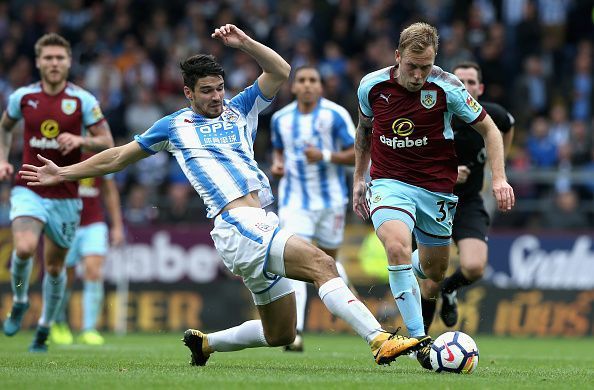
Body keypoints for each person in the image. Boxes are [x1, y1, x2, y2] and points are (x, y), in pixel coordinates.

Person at [20, 24, 428, 366]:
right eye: (207, 91)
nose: (217, 97)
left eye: (219, 88)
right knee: (323, 264)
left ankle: (206, 344)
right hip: (237, 222)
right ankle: (379, 340)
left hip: (260, 222)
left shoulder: (240, 108)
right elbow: (117, 157)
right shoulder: (173, 126)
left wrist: (247, 44)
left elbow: (280, 70)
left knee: (280, 332)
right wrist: (63, 171)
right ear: (188, 93)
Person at [353, 22, 515, 370]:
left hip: (435, 188)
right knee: (396, 245)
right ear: (397, 57)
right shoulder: (371, 85)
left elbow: (491, 128)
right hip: (389, 183)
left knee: (435, 271)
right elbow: (365, 130)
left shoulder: (448, 86)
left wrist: (499, 179)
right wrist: (358, 178)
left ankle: (402, 273)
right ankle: (418, 342)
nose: (418, 74)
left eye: (425, 67)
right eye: (412, 66)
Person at [0, 33, 114, 352]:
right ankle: (20, 300)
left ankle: (45, 327)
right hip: (29, 186)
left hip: (66, 194)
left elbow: (107, 142)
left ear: (68, 62)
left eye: (59, 58)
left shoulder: (83, 101)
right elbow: (5, 127)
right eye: (48, 58)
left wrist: (81, 142)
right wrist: (1, 158)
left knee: (54, 268)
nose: (53, 63)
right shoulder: (22, 97)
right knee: (22, 248)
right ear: (38, 62)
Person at [420, 61, 515, 333]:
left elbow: (508, 126)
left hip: (468, 202)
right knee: (429, 281)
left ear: (480, 87)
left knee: (474, 267)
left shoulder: (491, 115)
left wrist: (498, 164)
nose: (466, 86)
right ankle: (421, 340)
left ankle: (450, 290)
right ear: (449, 84)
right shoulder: (435, 112)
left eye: (471, 82)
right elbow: (414, 156)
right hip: (433, 201)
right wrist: (447, 172)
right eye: (460, 80)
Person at [270, 66, 356, 352]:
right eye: (302, 81)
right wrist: (277, 164)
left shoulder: (335, 115)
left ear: (321, 87)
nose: (307, 85)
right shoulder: (281, 119)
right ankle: (295, 333)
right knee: (297, 262)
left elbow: (357, 153)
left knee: (328, 264)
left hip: (331, 201)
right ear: (293, 87)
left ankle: (348, 297)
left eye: (313, 80)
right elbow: (278, 149)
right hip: (294, 202)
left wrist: (325, 156)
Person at [50, 152, 125, 346]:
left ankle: (89, 329)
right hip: (66, 221)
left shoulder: (100, 153)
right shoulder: (61, 152)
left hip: (94, 222)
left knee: (94, 271)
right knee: (65, 275)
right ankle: (59, 322)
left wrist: (117, 225)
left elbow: (109, 191)